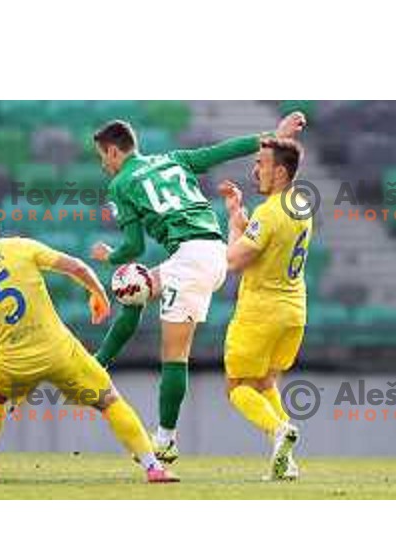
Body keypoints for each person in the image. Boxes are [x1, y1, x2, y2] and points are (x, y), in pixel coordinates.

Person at [90, 113, 306, 462]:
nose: (103, 164)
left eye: (103, 156)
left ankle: (166, 439)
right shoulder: (172, 159)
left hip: (191, 261)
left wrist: (109, 255)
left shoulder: (120, 184)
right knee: (134, 288)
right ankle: (98, 363)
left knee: (174, 355)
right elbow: (221, 151)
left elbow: (133, 247)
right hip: (213, 251)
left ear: (114, 152)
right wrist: (272, 136)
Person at [0, 200, 179, 483]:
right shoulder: (20, 247)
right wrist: (98, 294)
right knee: (108, 400)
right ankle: (152, 467)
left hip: (12, 363)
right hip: (59, 351)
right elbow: (78, 267)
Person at [220, 137, 311, 480]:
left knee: (237, 387)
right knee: (265, 381)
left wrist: (232, 221)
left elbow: (234, 260)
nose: (255, 169)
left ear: (281, 172)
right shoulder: (300, 205)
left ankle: (279, 431)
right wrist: (244, 223)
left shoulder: (269, 211)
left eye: (262, 163)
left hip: (261, 313)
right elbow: (268, 246)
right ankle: (286, 461)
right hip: (293, 312)